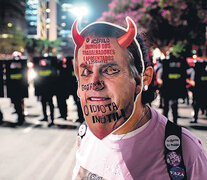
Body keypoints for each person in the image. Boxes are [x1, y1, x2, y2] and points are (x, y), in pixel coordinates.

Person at [71, 17, 207, 179]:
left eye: (110, 70)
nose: (95, 84)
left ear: (143, 79)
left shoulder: (184, 151)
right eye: (86, 72)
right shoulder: (86, 135)